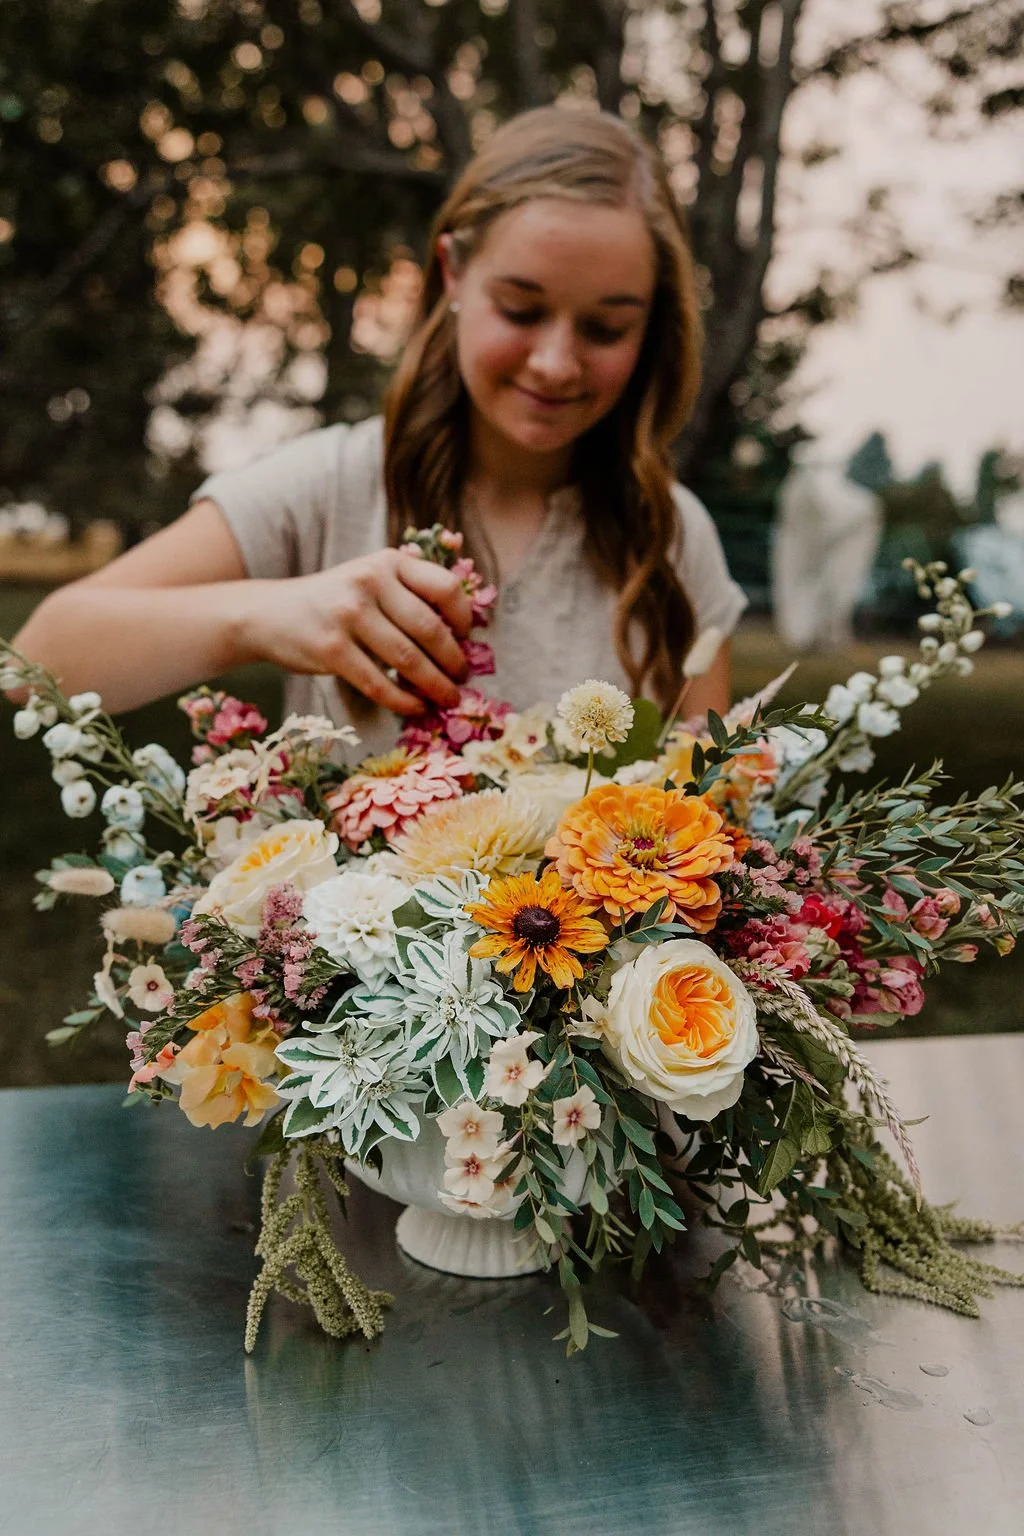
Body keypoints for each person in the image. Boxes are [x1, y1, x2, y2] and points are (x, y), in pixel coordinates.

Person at [13, 108, 746, 752]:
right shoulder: (329, 485)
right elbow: (33, 666)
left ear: (652, 326)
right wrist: (263, 615)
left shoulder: (673, 541)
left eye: (607, 327)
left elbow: (712, 833)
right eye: (521, 310)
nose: (556, 363)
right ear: (452, 273)